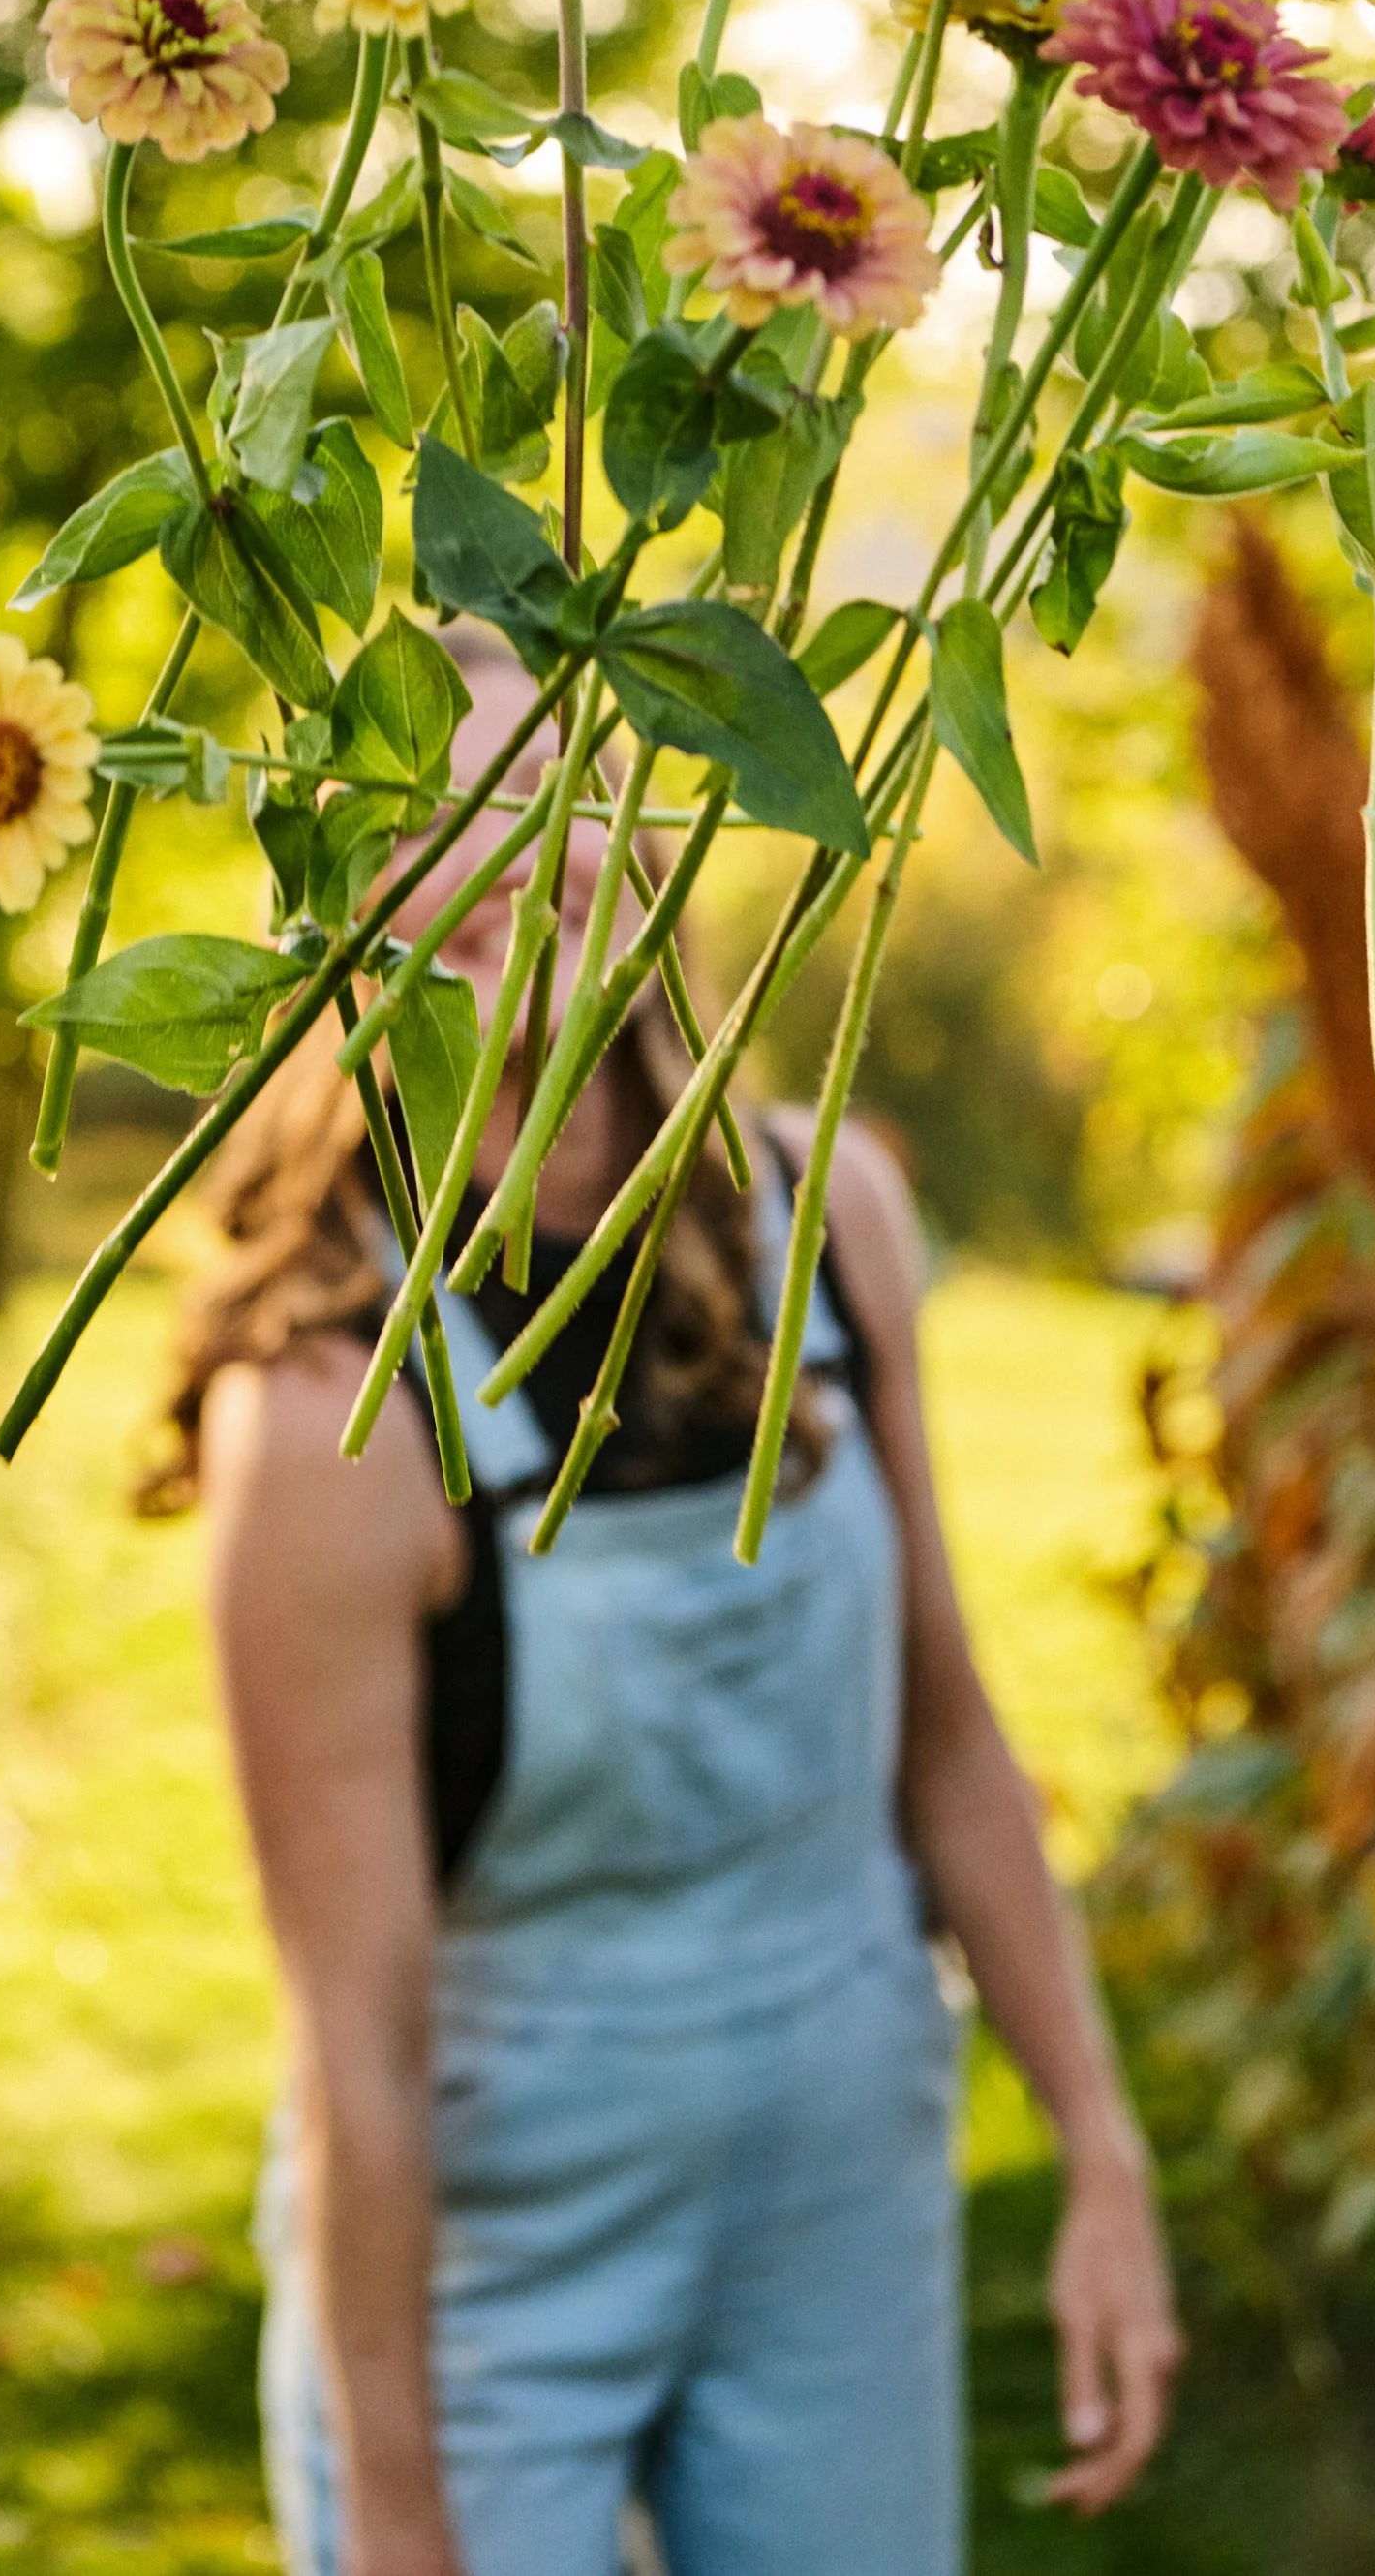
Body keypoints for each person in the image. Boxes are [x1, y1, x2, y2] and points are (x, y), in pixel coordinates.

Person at [150, 629, 1180, 2576]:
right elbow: (348, 2039)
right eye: (415, 822)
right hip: (490, 2214)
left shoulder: (830, 1218)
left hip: (835, 2163)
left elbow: (945, 1743)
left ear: (651, 826)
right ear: (344, 913)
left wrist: (1098, 2155)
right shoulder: (329, 1400)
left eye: (539, 797)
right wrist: (392, 2505)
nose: (489, 859)